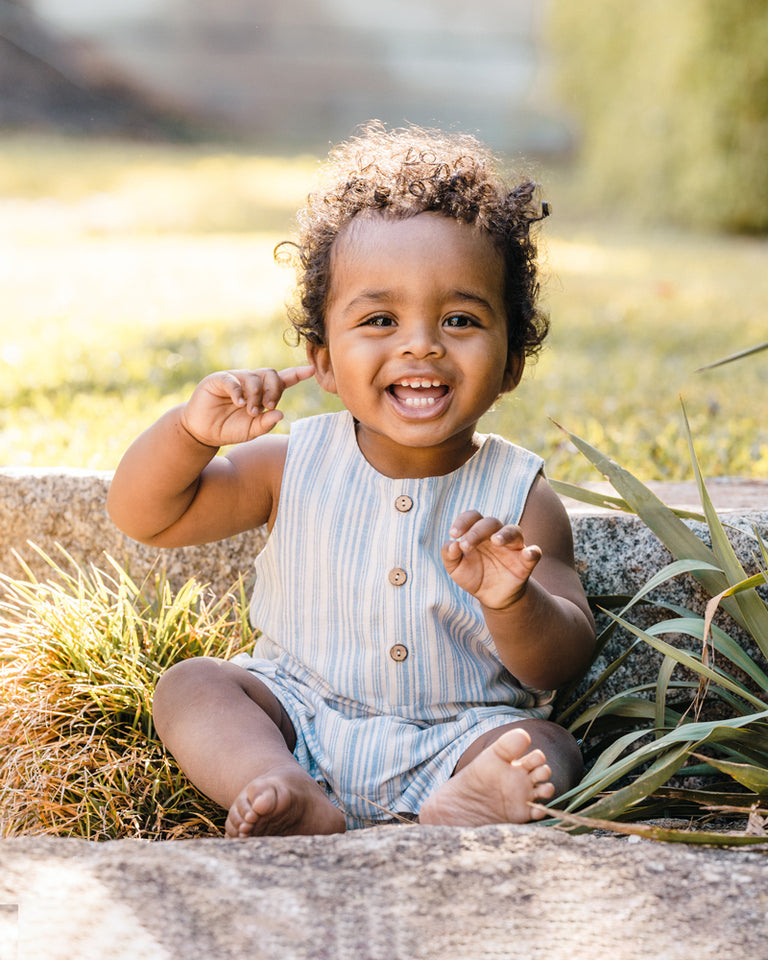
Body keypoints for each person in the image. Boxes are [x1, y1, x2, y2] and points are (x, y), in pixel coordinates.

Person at [107, 122, 596, 837]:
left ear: (512, 361)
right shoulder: (290, 462)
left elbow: (560, 661)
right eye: (380, 318)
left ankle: (464, 806)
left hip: (459, 739)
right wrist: (188, 434)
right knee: (194, 686)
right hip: (299, 718)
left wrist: (513, 599)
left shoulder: (520, 495)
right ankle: (277, 785)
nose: (420, 342)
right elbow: (143, 515)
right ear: (326, 362)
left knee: (549, 749)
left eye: (460, 318)